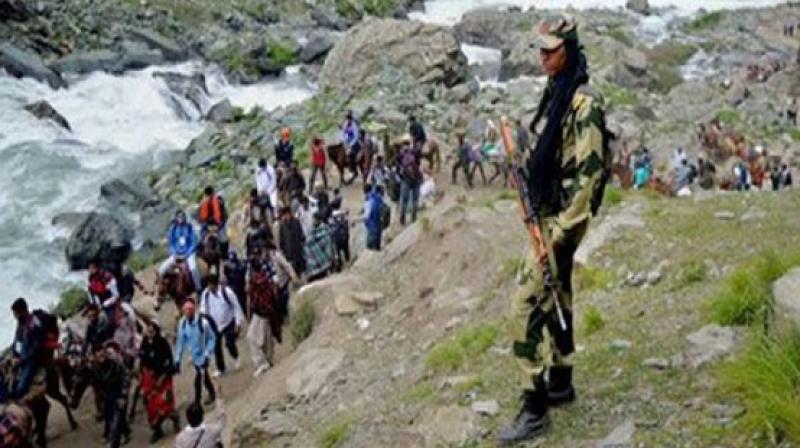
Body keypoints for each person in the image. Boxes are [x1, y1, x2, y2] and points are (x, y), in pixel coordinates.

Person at [499, 17, 607, 445]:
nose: (544, 57)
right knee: (558, 291)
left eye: (552, 50)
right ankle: (561, 382)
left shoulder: (584, 102)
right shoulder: (556, 89)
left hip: (562, 220)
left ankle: (535, 407)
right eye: (540, 51)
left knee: (524, 306)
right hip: (546, 212)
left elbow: (590, 177)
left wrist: (559, 234)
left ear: (570, 48)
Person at [139, 321, 179, 443]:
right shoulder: (144, 345)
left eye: (151, 331)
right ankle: (157, 430)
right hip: (150, 381)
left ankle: (175, 419)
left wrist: (162, 377)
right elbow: (142, 363)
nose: (149, 334)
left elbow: (169, 362)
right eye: (147, 331)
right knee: (152, 407)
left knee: (165, 403)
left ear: (156, 331)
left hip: (164, 378)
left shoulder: (162, 344)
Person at [199, 273, 244, 378]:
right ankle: (221, 368)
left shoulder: (226, 292)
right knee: (216, 346)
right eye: (208, 285)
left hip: (228, 321)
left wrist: (238, 322)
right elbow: (203, 309)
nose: (210, 287)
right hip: (214, 324)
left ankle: (236, 357)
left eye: (211, 285)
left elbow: (236, 306)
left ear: (216, 284)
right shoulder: (205, 294)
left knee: (229, 342)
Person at [247, 246, 282, 377]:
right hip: (266, 311)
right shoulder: (263, 279)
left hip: (262, 312)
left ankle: (263, 363)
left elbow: (256, 298)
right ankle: (268, 360)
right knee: (265, 337)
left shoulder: (257, 281)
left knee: (254, 338)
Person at [174, 300, 217, 405]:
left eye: (189, 310)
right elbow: (181, 342)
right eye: (185, 310)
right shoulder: (183, 324)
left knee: (199, 378)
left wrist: (207, 355)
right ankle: (212, 393)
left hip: (203, 354)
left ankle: (197, 401)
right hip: (194, 355)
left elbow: (211, 338)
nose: (187, 313)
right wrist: (177, 360)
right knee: (204, 376)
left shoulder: (203, 323)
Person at [93, 342, 131, 447]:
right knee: (113, 420)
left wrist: (123, 395)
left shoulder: (115, 364)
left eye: (102, 354)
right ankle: (125, 433)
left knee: (115, 426)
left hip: (118, 396)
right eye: (98, 356)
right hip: (107, 399)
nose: (101, 357)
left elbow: (126, 376)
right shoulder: (95, 368)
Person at [8, 299, 42, 401]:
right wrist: (14, 356)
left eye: (16, 314)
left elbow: (37, 347)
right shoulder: (20, 323)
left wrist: (22, 359)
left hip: (31, 361)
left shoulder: (34, 323)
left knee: (20, 389)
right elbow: (16, 341)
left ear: (23, 311)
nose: (15, 316)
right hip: (20, 359)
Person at [159, 210, 202, 292]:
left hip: (188, 254)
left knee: (193, 269)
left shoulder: (189, 227)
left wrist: (186, 254)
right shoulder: (173, 229)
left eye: (182, 216)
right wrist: (174, 253)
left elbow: (193, 242)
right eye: (179, 217)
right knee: (162, 269)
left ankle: (198, 288)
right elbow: (171, 244)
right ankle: (161, 288)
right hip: (176, 254)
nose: (180, 218)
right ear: (176, 218)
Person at [174, 383, 225, 448]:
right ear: (202, 416)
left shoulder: (180, 438)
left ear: (188, 419)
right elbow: (221, 419)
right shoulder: (211, 430)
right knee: (218, 441)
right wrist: (218, 397)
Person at [397, 136, 422, 226]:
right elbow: (419, 163)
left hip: (406, 179)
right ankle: (414, 219)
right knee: (415, 200)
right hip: (416, 178)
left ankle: (402, 220)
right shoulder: (414, 152)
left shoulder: (400, 155)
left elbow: (398, 167)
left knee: (404, 200)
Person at [304, 212, 335, 282]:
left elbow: (327, 243)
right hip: (314, 262)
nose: (313, 221)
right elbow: (309, 241)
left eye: (314, 219)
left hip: (324, 260)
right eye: (313, 219)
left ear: (319, 220)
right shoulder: (312, 230)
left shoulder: (324, 230)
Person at [198, 186, 229, 256]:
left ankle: (225, 256)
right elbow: (200, 219)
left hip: (219, 225)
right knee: (202, 240)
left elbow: (224, 216)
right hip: (207, 225)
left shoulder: (219, 202)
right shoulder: (202, 205)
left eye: (210, 195)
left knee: (224, 239)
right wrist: (207, 226)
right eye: (207, 196)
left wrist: (218, 226)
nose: (209, 197)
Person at [87, 258, 121, 323]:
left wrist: (106, 303)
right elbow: (92, 294)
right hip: (101, 305)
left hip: (113, 302)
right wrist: (95, 304)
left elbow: (116, 295)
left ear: (97, 267)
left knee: (113, 322)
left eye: (92, 267)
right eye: (89, 268)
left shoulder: (107, 276)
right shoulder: (91, 280)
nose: (90, 270)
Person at [278, 206, 306, 277]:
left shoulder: (296, 222)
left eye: (287, 214)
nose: (286, 216)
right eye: (285, 215)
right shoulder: (282, 226)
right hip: (289, 252)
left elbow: (301, 234)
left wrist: (302, 242)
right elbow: (281, 240)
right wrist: (283, 251)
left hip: (298, 249)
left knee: (301, 268)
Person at [363, 184, 384, 251]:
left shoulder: (368, 201)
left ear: (364, 192)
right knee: (377, 246)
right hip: (379, 225)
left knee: (371, 249)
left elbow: (366, 216)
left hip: (372, 227)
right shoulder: (378, 197)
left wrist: (355, 221)